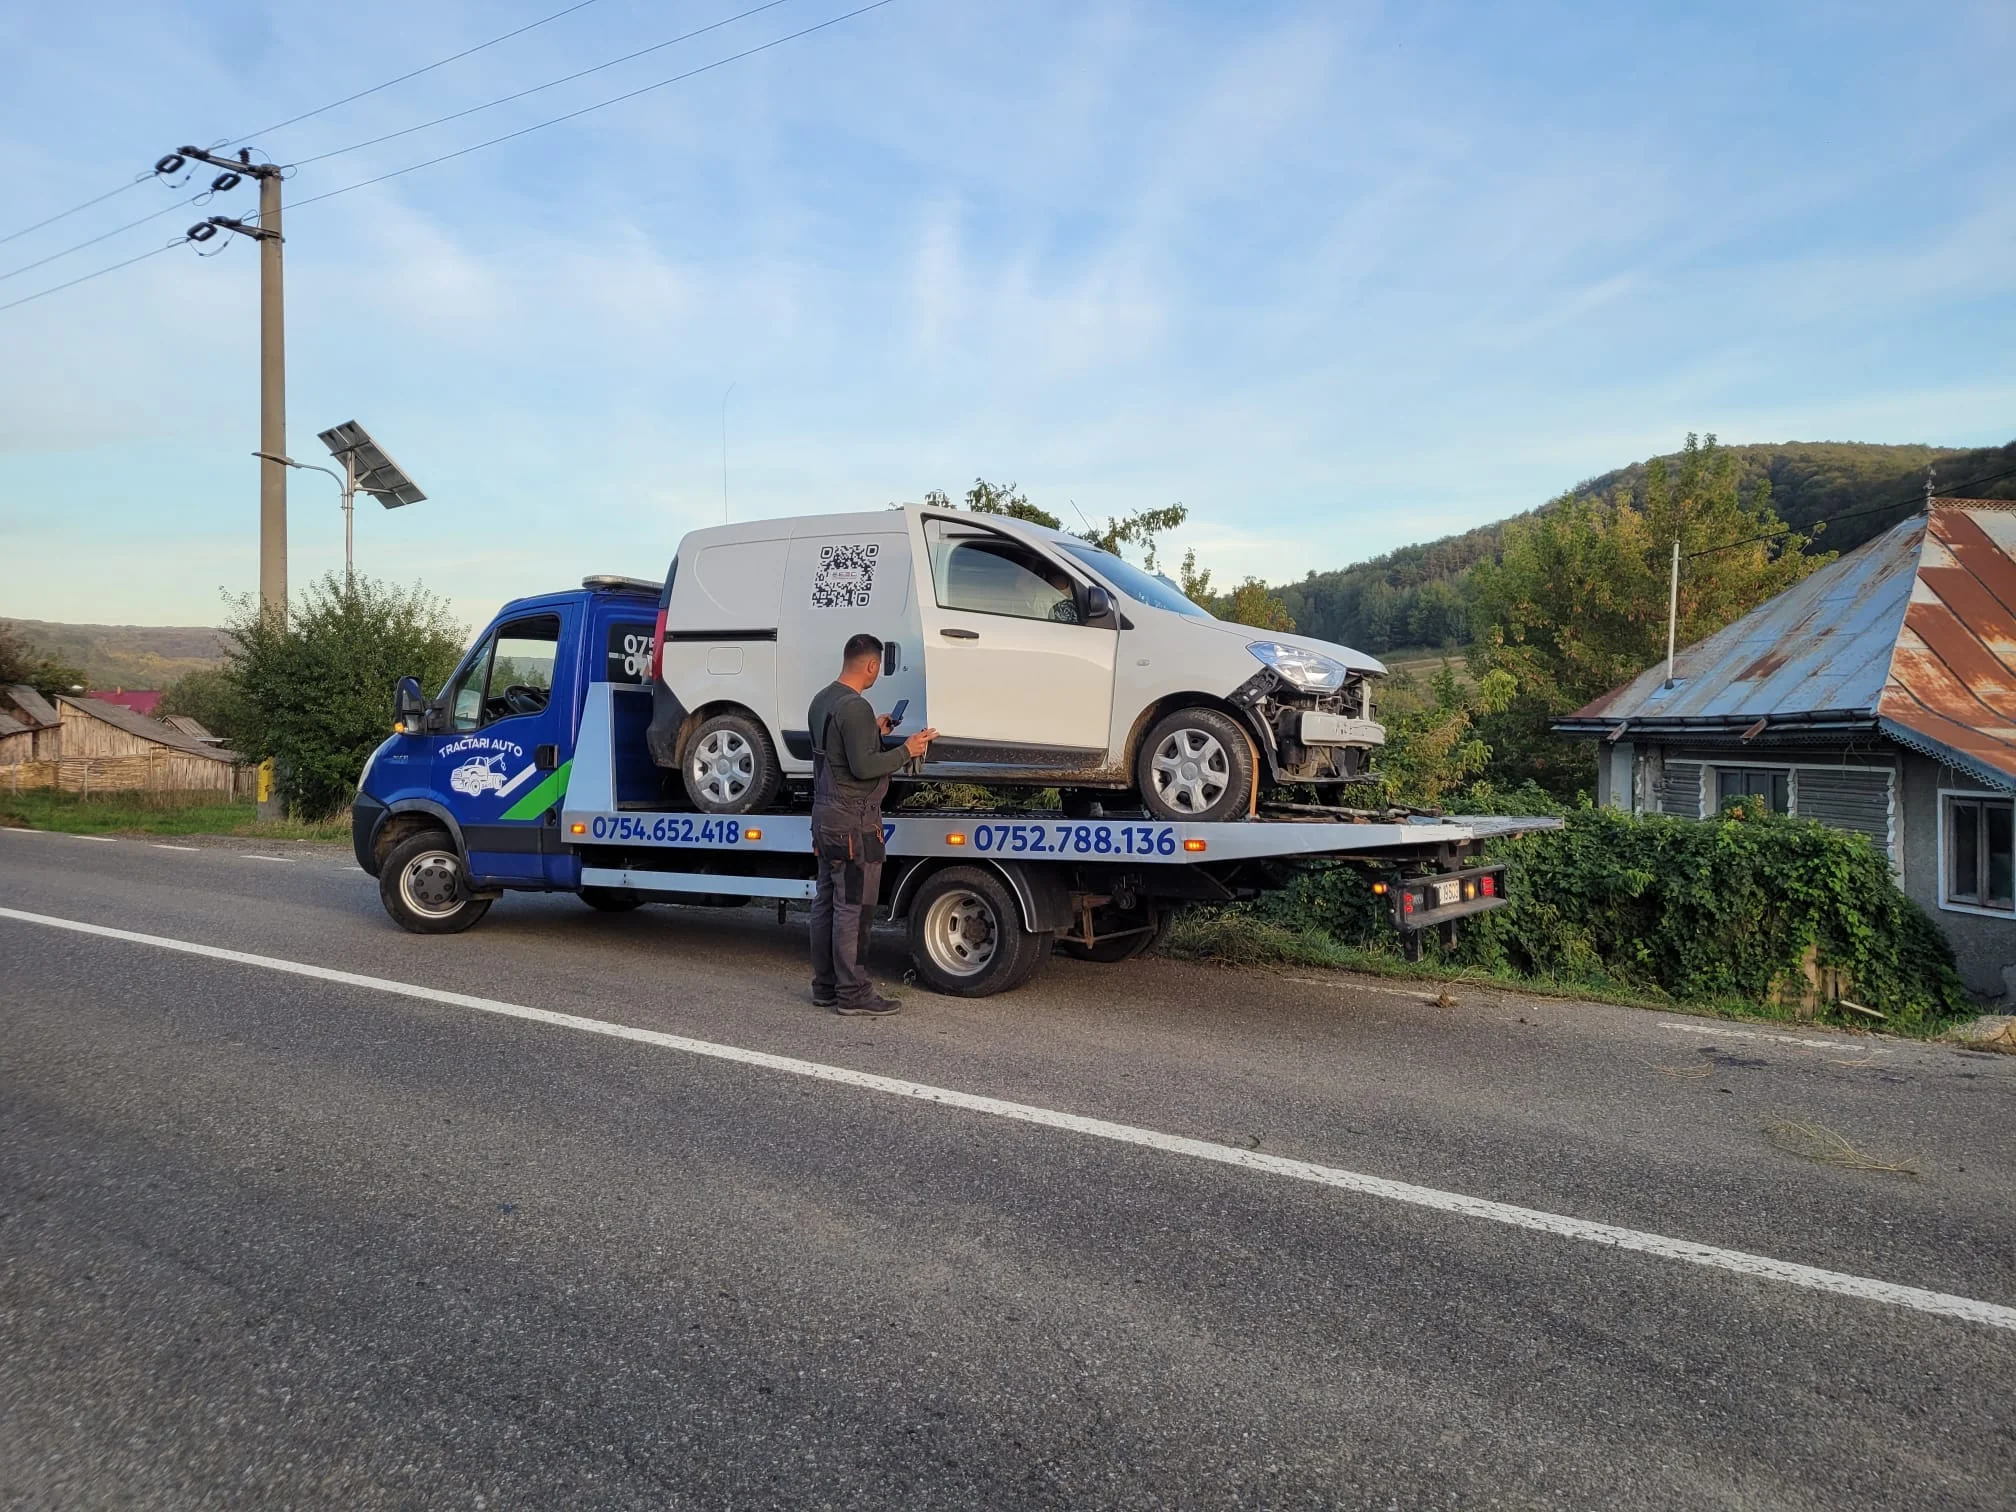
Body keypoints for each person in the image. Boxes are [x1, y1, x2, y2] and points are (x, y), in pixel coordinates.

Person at [806, 633, 936, 1014]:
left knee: (827, 901)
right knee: (855, 909)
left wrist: (874, 735)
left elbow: (839, 753)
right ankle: (854, 994)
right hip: (855, 820)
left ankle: (825, 987)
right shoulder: (856, 707)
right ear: (872, 665)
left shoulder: (822, 700)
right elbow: (863, 769)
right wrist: (905, 750)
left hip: (825, 815)